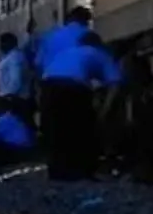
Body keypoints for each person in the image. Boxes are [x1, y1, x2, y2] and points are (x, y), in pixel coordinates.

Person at [40, 30, 123, 181]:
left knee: (55, 130)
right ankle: (83, 170)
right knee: (82, 128)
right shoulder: (100, 54)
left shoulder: (68, 53)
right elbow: (115, 84)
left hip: (48, 84)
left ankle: (57, 171)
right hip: (72, 87)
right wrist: (105, 111)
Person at [32, 6, 91, 76]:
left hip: (49, 78)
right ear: (86, 22)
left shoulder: (50, 36)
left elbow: (38, 63)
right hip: (76, 79)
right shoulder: (88, 36)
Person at [0, 32, 33, 122]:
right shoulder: (11, 56)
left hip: (13, 99)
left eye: (3, 43)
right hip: (12, 97)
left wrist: (9, 95)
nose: (1, 46)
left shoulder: (15, 58)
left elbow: (16, 79)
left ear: (10, 43)